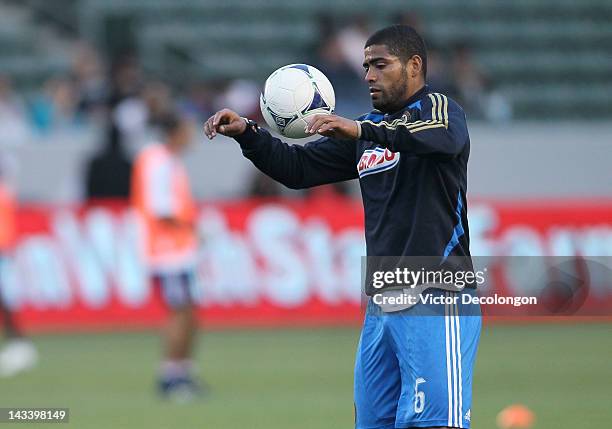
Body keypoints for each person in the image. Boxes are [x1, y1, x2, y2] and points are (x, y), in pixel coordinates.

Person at [205, 24, 481, 429]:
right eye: (366, 65)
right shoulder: (366, 131)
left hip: (437, 293)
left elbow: (443, 139)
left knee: (435, 423)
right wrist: (249, 135)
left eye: (380, 65)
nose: (368, 74)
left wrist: (361, 129)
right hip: (383, 301)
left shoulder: (438, 109)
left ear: (415, 66)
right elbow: (298, 169)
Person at [131, 111, 202, 399]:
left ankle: (182, 372)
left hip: (178, 249)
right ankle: (171, 377)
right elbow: (161, 210)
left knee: (188, 313)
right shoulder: (157, 161)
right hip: (165, 250)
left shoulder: (167, 160)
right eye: (187, 130)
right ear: (175, 132)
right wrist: (194, 227)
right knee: (179, 312)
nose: (191, 136)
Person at [0, 173, 37, 377]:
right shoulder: (6, 191)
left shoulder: (3, 192)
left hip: (2, 251)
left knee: (6, 300)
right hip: (5, 250)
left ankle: (20, 345)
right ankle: (18, 345)